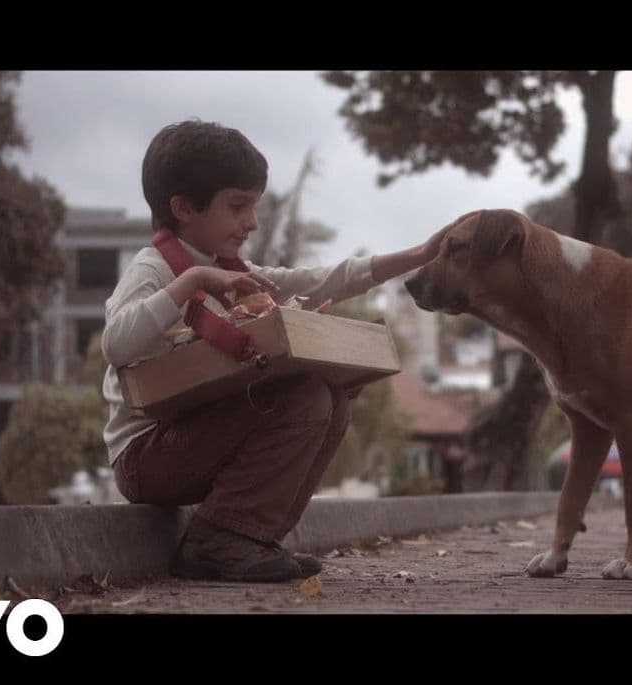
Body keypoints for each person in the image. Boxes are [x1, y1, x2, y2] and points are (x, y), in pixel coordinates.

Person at [102, 119, 451, 582]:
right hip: (144, 457)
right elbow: (115, 343)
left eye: (254, 207)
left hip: (195, 441)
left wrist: (417, 255)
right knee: (302, 400)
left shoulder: (230, 271)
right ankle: (218, 540)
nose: (251, 222)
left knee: (329, 399)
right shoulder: (156, 269)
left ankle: (251, 537)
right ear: (184, 208)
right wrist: (193, 284)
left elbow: (321, 278)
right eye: (238, 206)